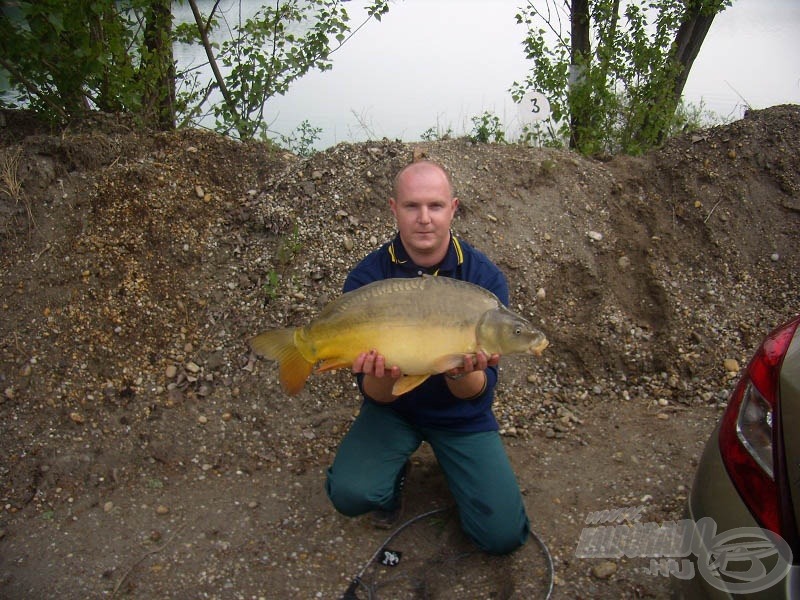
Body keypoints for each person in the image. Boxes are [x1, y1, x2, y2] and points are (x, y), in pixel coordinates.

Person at [324, 159, 530, 555]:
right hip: (393, 411)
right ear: (393, 209)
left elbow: (479, 392)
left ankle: (458, 473)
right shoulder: (367, 278)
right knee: (350, 494)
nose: (424, 219)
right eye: (411, 206)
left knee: (503, 535)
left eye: (435, 206)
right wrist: (381, 375)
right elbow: (376, 395)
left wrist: (458, 372)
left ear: (453, 208)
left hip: (460, 416)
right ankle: (392, 474)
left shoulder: (484, 282)